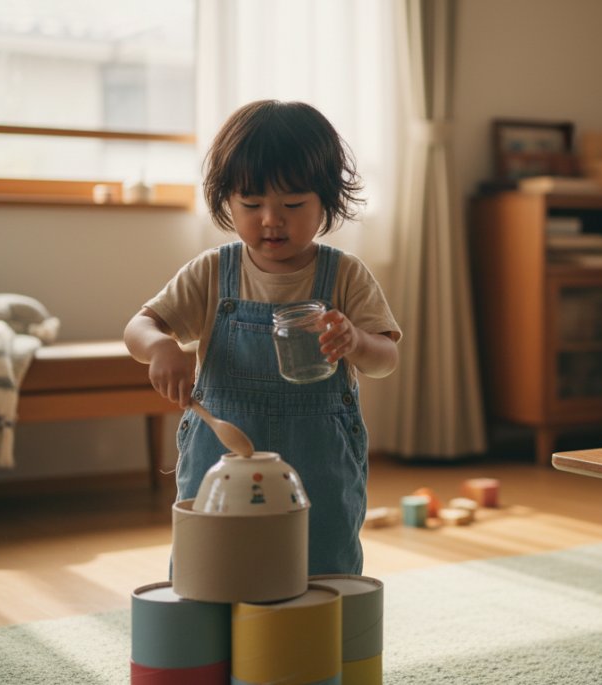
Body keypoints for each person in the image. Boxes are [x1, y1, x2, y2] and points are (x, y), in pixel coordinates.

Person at [124, 100, 401, 575]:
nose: (272, 219)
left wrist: (355, 341)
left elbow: (385, 358)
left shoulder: (345, 275)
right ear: (226, 201)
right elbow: (139, 326)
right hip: (222, 463)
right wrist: (161, 347)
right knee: (211, 566)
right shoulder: (213, 271)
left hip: (319, 464)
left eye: (293, 205)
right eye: (252, 205)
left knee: (323, 567)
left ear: (326, 200)